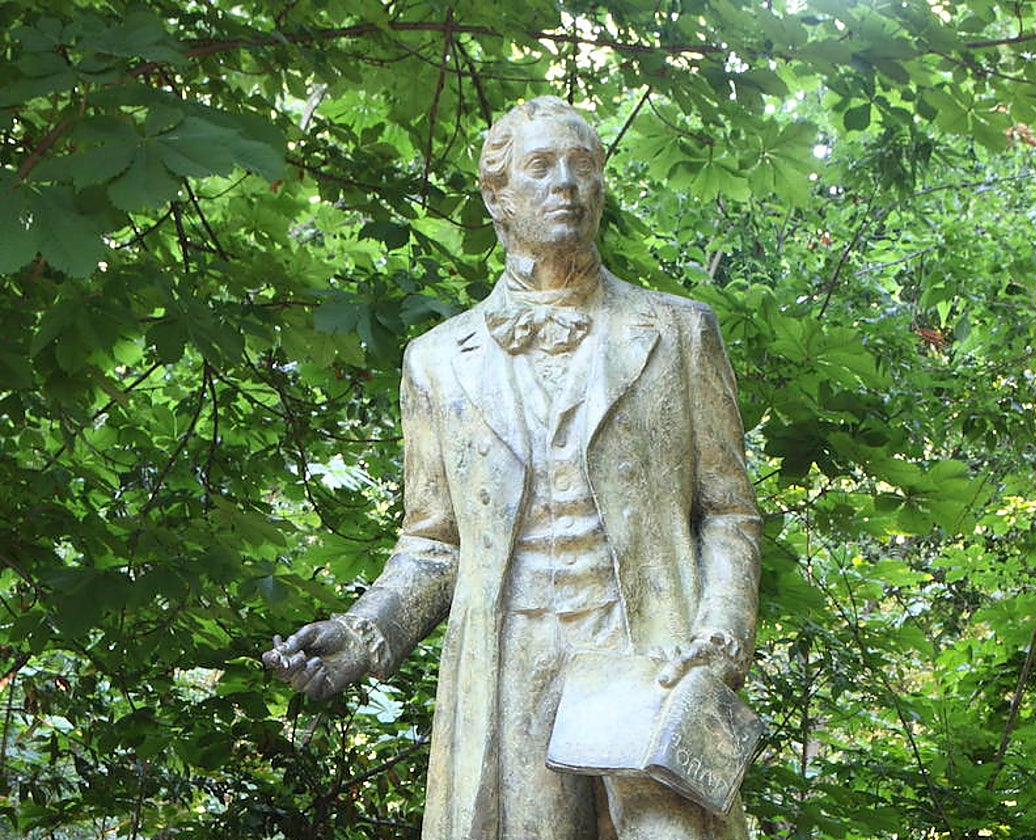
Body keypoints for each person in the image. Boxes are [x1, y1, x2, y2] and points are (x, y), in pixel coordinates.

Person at [263, 96, 761, 840]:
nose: (566, 183)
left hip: (653, 657)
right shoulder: (438, 360)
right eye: (540, 166)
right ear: (497, 196)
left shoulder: (680, 331)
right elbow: (434, 541)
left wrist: (719, 634)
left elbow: (728, 510)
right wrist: (364, 633)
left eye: (582, 165)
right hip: (510, 665)